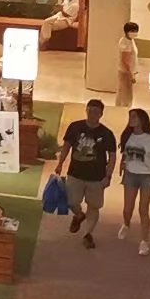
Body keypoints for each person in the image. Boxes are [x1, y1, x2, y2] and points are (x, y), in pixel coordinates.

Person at [54, 97, 117, 249]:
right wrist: (60, 163)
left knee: (93, 207)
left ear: (101, 114)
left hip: (96, 177)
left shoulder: (107, 134)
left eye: (96, 112)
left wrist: (108, 176)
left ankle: (87, 234)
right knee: (71, 201)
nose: (92, 114)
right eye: (90, 110)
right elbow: (66, 146)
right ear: (86, 110)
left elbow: (112, 156)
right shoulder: (75, 127)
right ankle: (79, 215)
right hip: (75, 173)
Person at [118, 107, 150, 254]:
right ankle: (126, 224)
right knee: (127, 208)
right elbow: (125, 153)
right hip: (130, 174)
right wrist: (121, 165)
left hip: (147, 176)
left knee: (143, 209)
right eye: (130, 117)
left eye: (134, 117)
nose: (131, 120)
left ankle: (144, 241)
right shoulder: (128, 136)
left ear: (142, 120)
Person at [114, 21, 139, 108]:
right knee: (125, 95)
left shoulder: (130, 40)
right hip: (126, 72)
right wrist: (131, 74)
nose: (135, 33)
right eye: (133, 31)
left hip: (129, 71)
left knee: (127, 94)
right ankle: (122, 110)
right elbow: (125, 60)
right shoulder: (125, 43)